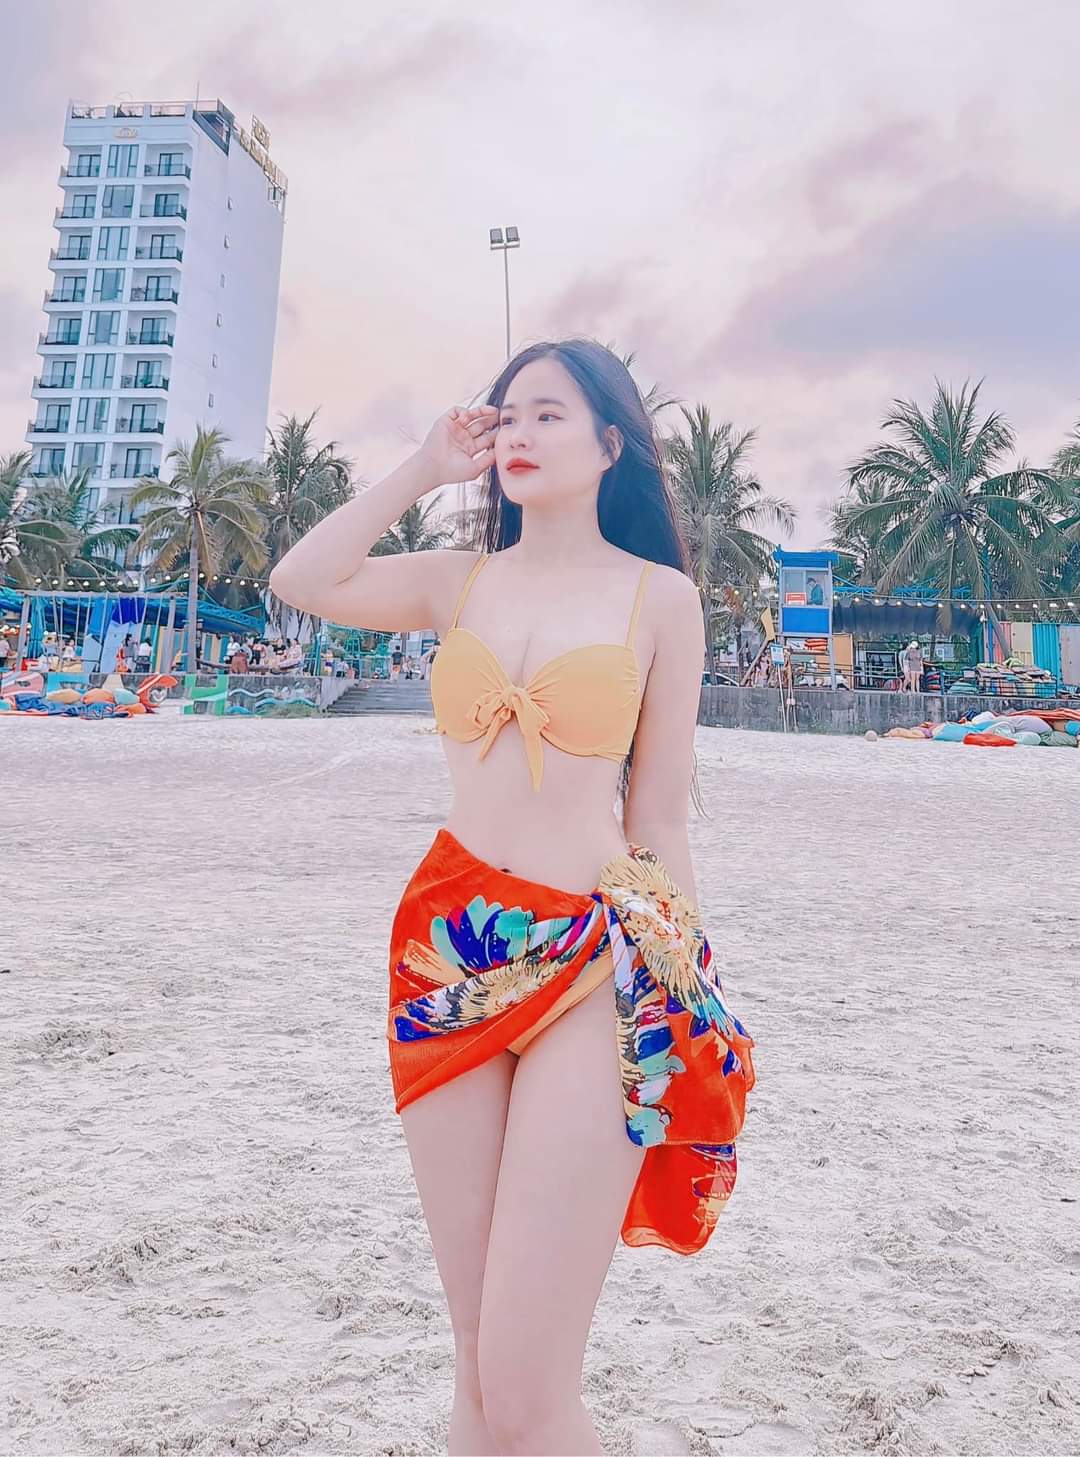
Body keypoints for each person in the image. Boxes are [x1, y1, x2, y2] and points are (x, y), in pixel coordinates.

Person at [268, 339, 757, 1455]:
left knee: (530, 1381)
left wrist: (692, 990)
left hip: (594, 959)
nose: (520, 434)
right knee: (481, 1364)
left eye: (549, 414)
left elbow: (661, 815)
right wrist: (423, 467)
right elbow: (302, 579)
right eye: (507, 416)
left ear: (610, 443)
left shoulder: (661, 598)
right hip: (447, 948)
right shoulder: (459, 581)